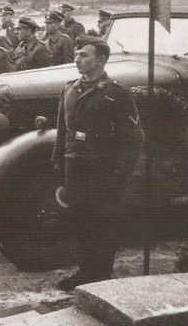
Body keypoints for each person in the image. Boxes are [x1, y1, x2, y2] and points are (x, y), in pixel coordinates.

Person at [51, 36, 144, 291]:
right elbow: (62, 131)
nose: (77, 59)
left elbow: (134, 138)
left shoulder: (116, 94)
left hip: (103, 170)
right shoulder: (69, 88)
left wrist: (119, 174)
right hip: (75, 166)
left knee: (102, 223)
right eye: (76, 54)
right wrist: (59, 164)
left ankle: (101, 277)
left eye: (84, 55)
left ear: (101, 60)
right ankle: (84, 272)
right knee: (79, 219)